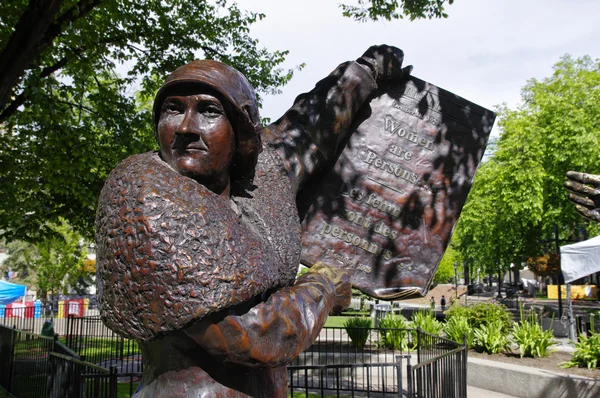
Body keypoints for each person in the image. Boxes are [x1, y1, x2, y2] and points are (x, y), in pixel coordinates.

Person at [96, 45, 411, 397]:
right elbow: (251, 336)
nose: (186, 126)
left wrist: (364, 71)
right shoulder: (146, 198)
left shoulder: (259, 183)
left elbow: (306, 130)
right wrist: (323, 289)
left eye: (208, 111)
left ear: (241, 131)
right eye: (173, 109)